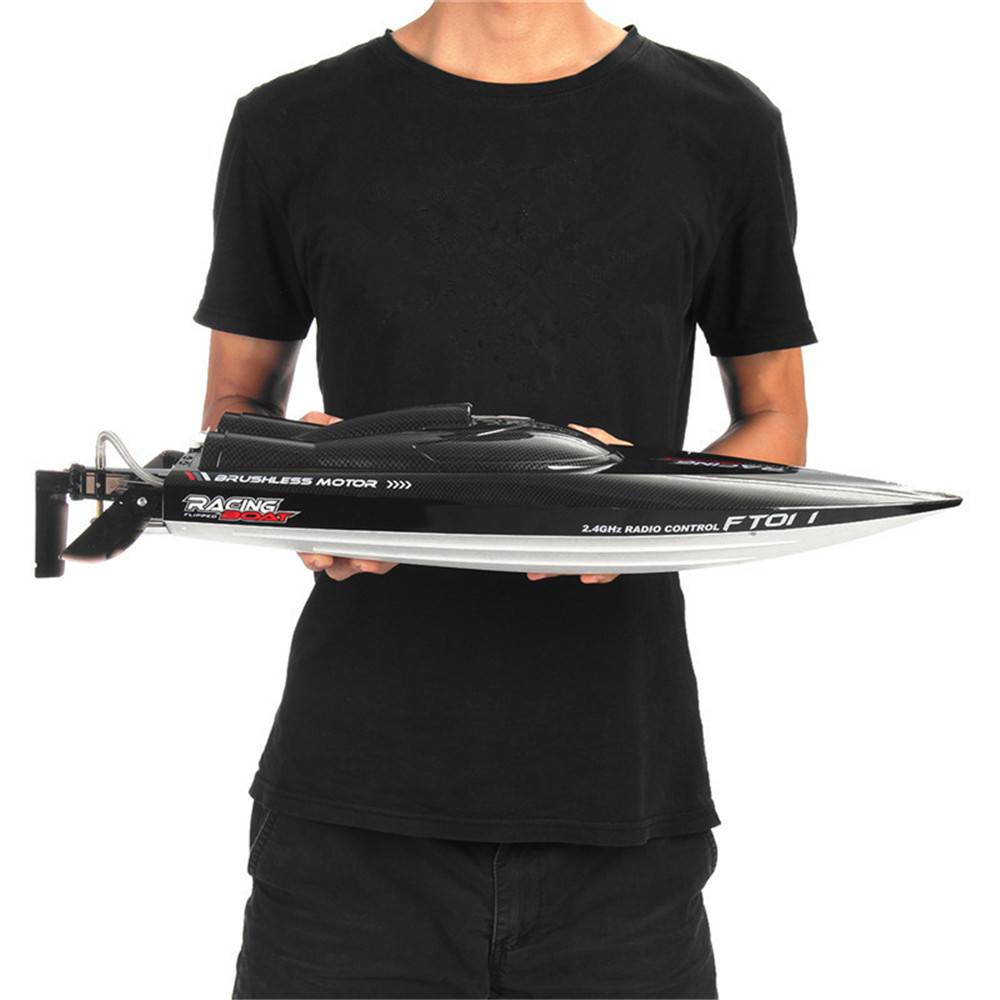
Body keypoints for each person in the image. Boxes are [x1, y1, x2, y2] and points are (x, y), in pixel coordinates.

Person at [195, 3, 815, 997]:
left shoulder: (720, 122)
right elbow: (235, 417)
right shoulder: (289, 122)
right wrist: (303, 491)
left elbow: (775, 420)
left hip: (622, 812)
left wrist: (637, 507)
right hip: (349, 822)